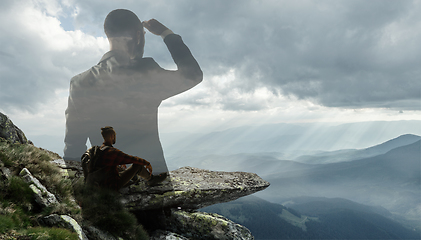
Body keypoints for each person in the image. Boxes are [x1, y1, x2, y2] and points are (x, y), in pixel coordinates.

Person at [63, 9, 202, 176]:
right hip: (152, 181)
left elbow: (73, 148)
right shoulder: (146, 73)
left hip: (107, 186)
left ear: (108, 35)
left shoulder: (80, 82)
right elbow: (193, 74)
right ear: (138, 36)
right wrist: (166, 34)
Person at [86, 126, 166, 191]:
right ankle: (151, 180)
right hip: (110, 186)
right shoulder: (112, 151)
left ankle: (134, 177)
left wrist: (119, 163)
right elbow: (132, 159)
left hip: (98, 183)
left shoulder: (99, 150)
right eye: (115, 135)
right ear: (112, 136)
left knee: (120, 168)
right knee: (138, 166)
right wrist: (147, 163)